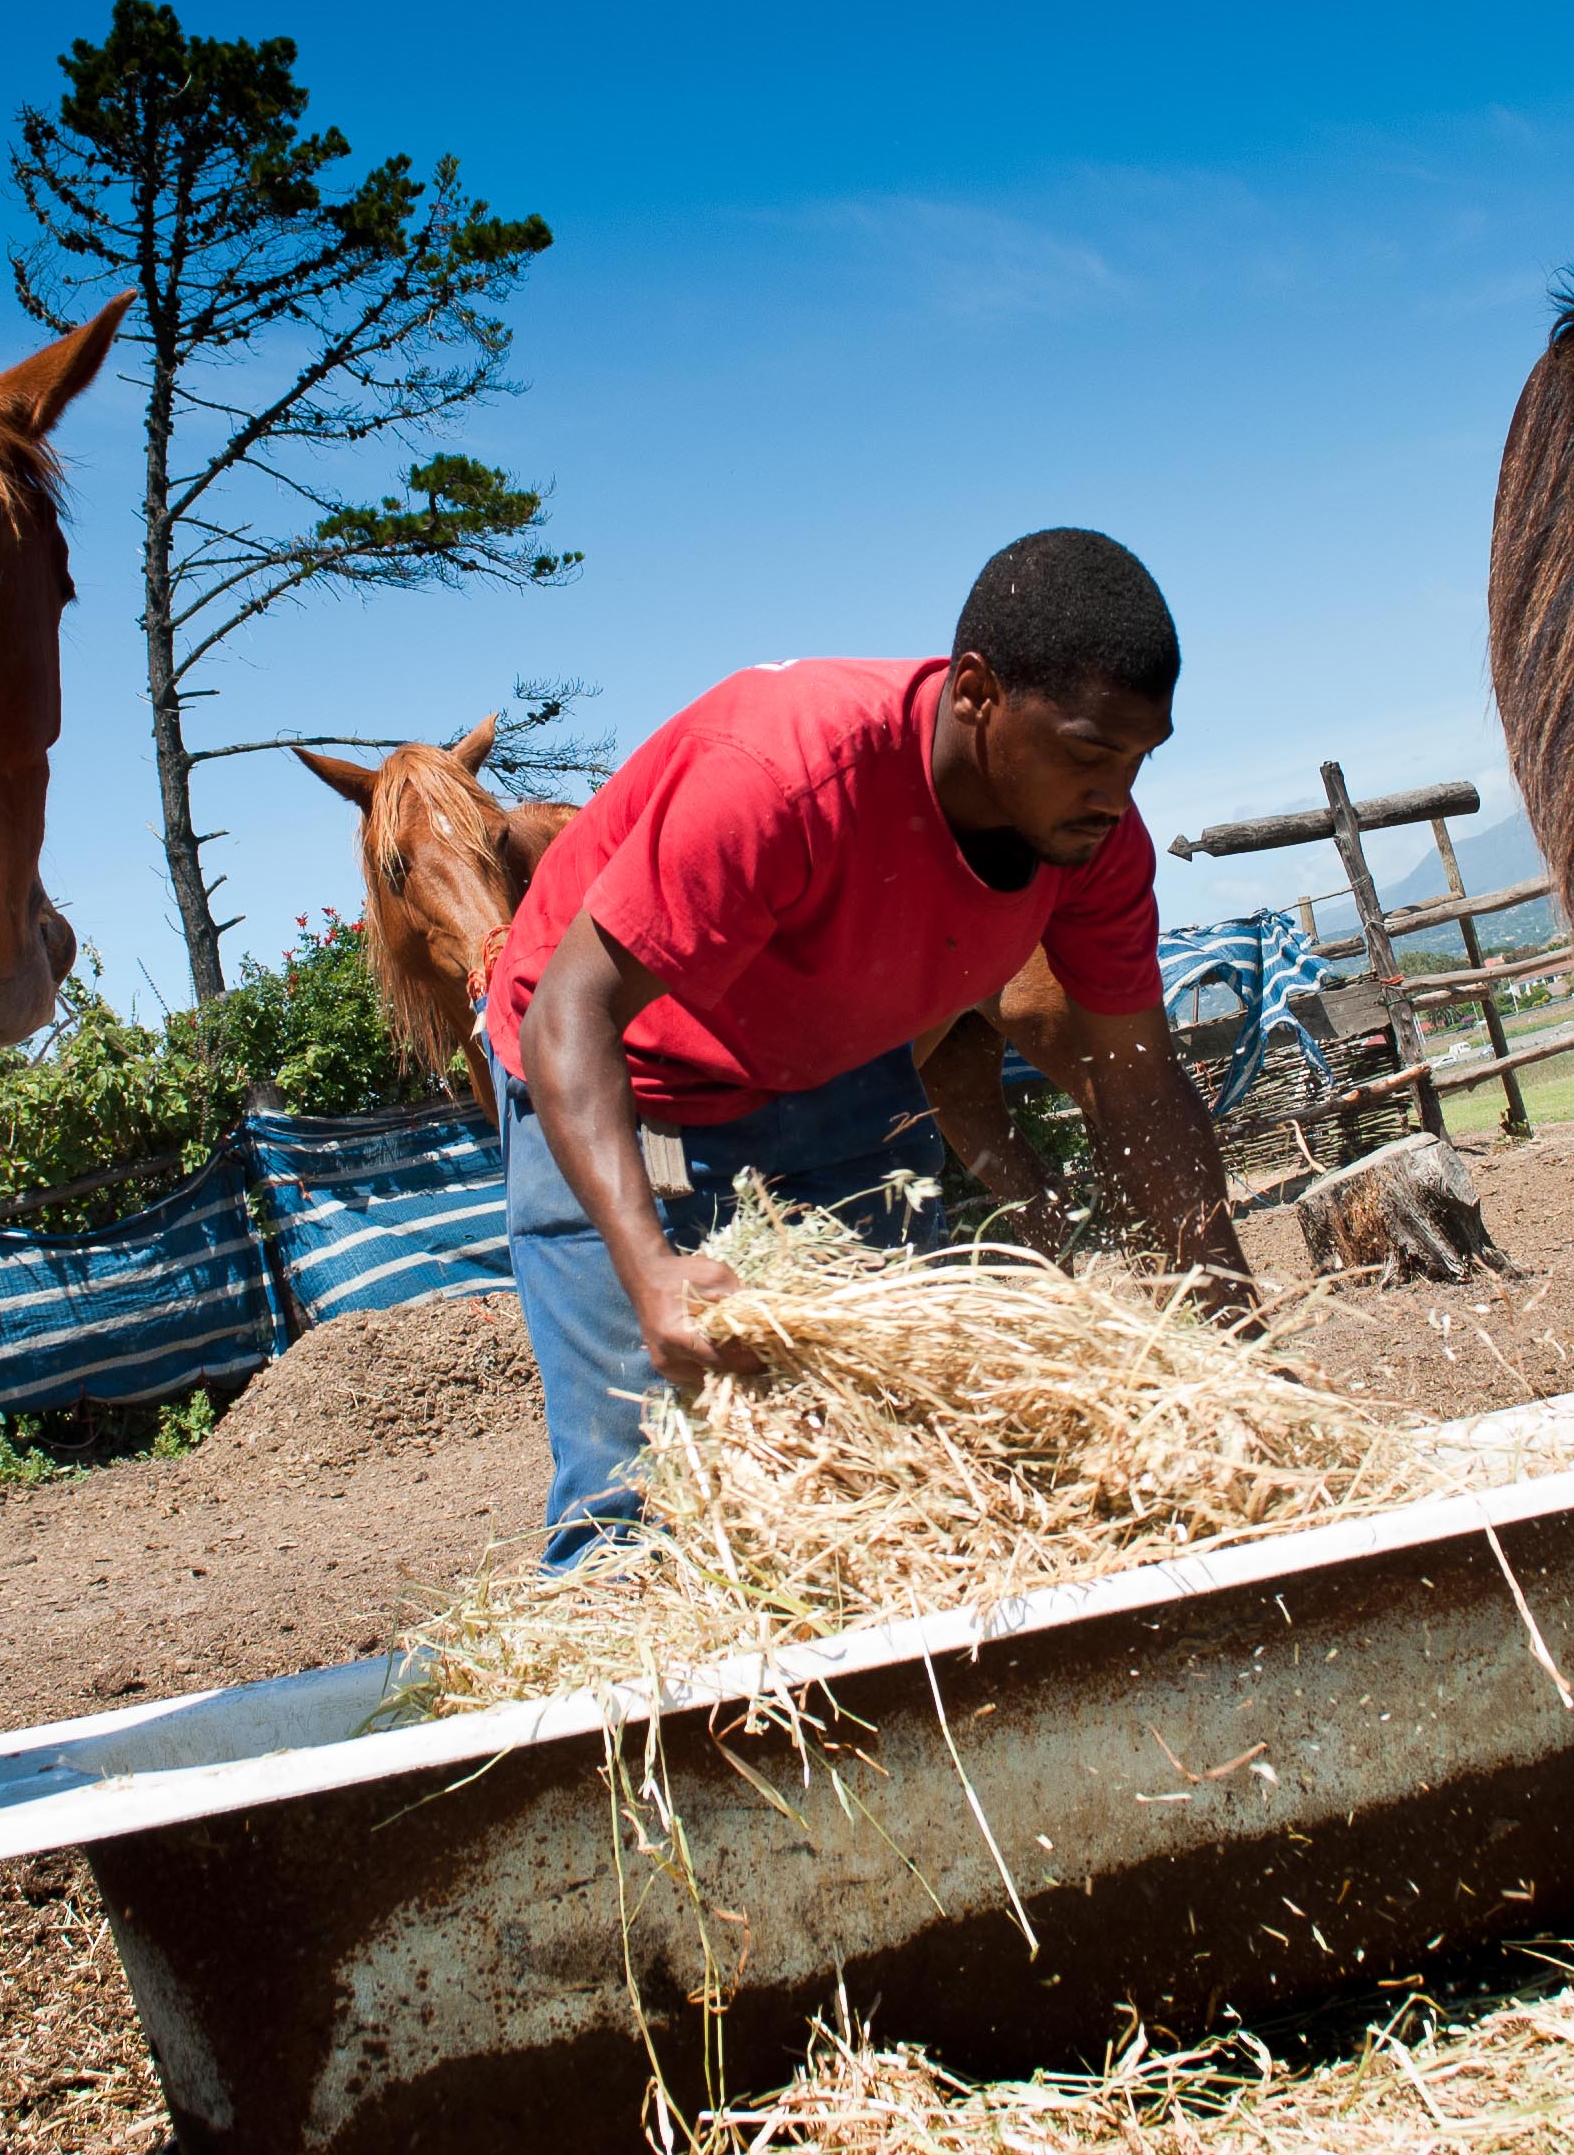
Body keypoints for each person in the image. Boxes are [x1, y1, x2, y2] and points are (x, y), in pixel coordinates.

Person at [478, 528, 1250, 1563]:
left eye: (1138, 755)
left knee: (898, 1462)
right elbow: (570, 1012)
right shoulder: (778, 777)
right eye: (1085, 751)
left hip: (837, 1079)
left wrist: (1231, 1329)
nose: (1116, 792)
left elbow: (1140, 1087)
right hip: (630, 1078)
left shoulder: (1092, 841)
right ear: (975, 693)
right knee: (641, 1500)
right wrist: (654, 1273)